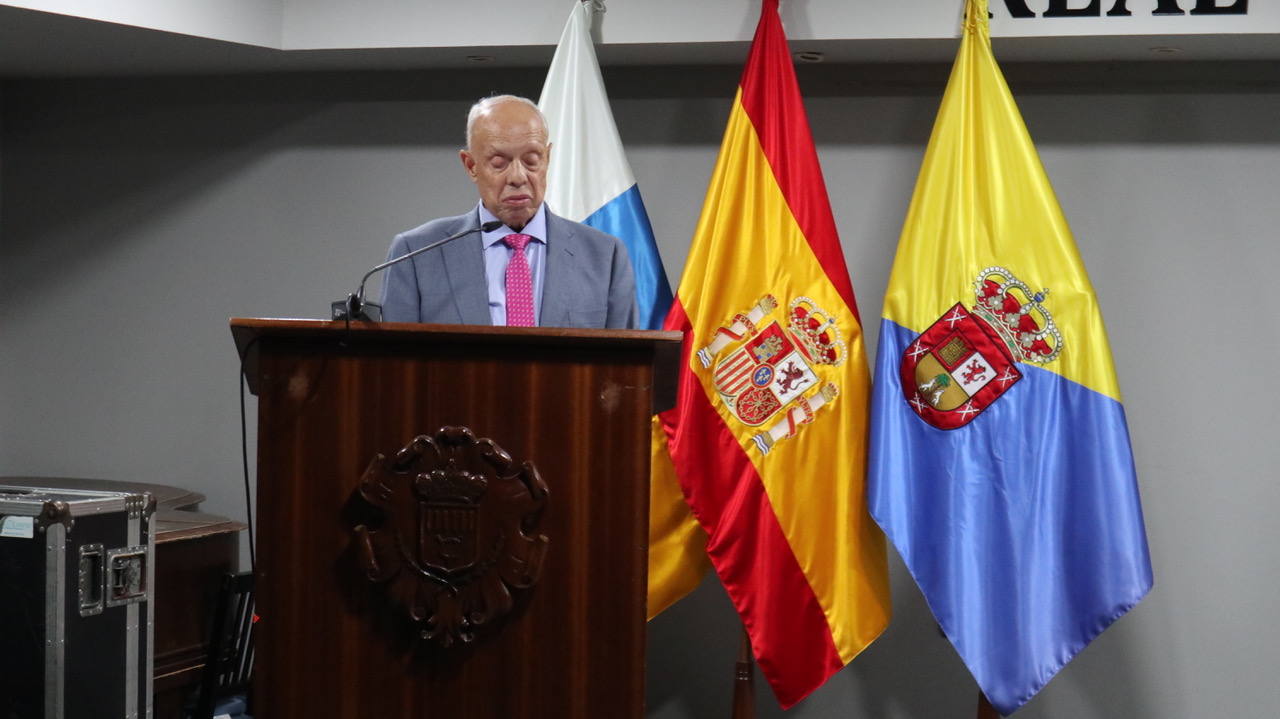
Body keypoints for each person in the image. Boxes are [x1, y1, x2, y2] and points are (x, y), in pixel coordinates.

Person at [380, 95, 637, 329]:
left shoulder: (605, 256)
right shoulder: (415, 254)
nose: (518, 177)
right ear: (471, 165)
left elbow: (626, 360)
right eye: (499, 163)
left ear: (547, 158)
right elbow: (395, 360)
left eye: (531, 160)